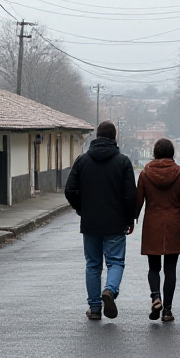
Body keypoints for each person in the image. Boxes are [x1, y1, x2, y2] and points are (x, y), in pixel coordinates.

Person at [65, 121, 137, 321]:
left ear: (97, 136)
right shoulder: (123, 162)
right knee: (115, 262)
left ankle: (95, 308)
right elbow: (131, 195)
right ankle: (110, 290)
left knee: (93, 265)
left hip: (90, 222)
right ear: (114, 137)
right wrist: (129, 218)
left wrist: (81, 208)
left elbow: (70, 190)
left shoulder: (82, 161)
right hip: (115, 222)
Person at [135, 138, 180, 322]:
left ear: (155, 153)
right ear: (172, 153)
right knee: (170, 269)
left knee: (153, 267)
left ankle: (155, 297)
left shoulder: (145, 174)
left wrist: (131, 218)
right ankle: (167, 310)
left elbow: (138, 200)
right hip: (175, 224)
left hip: (153, 223)